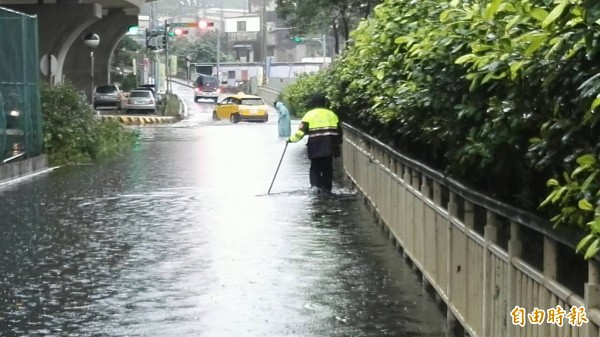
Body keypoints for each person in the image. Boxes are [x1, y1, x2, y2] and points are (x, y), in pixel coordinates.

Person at [287, 93, 342, 194]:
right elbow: (339, 132)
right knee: (327, 168)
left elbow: (301, 131)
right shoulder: (332, 114)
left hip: (315, 146)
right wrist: (337, 145)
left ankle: (315, 187)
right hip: (329, 147)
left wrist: (291, 139)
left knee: (315, 167)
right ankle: (327, 189)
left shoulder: (309, 115)